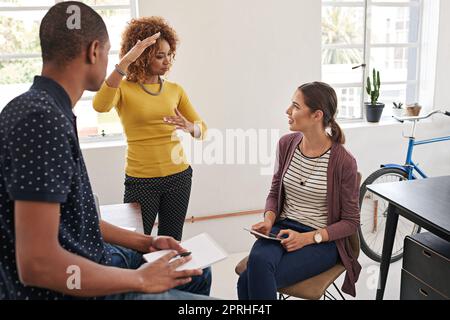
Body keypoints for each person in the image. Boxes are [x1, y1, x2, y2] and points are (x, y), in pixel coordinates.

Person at [0, 1, 211, 300]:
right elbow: (38, 265)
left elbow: (78, 217)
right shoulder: (42, 119)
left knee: (198, 270)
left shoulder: (49, 110)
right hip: (78, 277)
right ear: (94, 51)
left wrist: (145, 243)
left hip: (98, 249)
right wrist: (139, 280)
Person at [237, 82, 361, 300]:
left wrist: (308, 238)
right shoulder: (286, 144)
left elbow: (351, 222)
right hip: (281, 229)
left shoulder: (343, 161)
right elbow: (275, 192)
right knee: (258, 266)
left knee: (247, 280)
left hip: (321, 241)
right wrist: (268, 220)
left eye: (295, 106)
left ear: (316, 115)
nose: (287, 111)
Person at [93, 17, 207, 240]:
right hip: (141, 180)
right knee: (136, 242)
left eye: (169, 55)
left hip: (179, 177)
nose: (167, 62)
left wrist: (189, 126)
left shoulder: (175, 90)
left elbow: (203, 130)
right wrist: (124, 62)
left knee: (171, 241)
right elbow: (100, 105)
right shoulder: (123, 88)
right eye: (159, 55)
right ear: (143, 57)